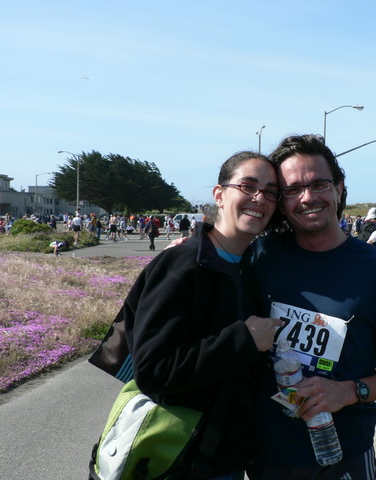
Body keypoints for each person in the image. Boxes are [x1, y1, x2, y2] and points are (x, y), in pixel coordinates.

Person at [243, 134, 376, 480]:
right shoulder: (260, 257)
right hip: (263, 452)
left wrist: (349, 391)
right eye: (293, 189)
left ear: (339, 189)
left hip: (342, 454)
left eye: (319, 184)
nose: (307, 197)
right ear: (281, 202)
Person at [115, 151, 282, 480]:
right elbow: (152, 370)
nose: (259, 198)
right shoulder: (184, 264)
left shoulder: (251, 268)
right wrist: (244, 340)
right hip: (179, 458)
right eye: (247, 186)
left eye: (270, 191)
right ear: (219, 195)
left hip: (225, 456)